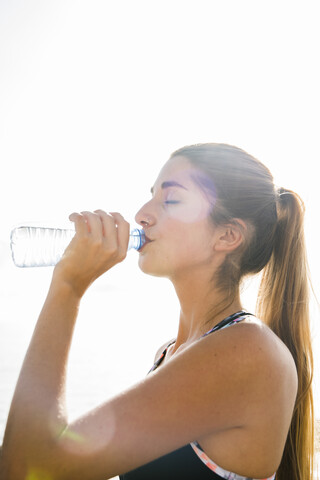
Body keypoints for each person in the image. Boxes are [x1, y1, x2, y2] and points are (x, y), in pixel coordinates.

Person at [0, 143, 314, 480]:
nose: (141, 214)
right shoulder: (172, 352)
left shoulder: (249, 352)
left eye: (171, 200)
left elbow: (25, 469)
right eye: (150, 195)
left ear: (227, 235)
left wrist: (67, 288)